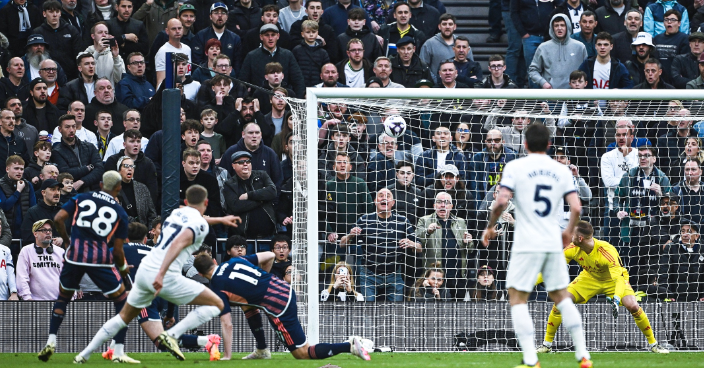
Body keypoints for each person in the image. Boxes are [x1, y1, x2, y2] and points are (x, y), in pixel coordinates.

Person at [72, 184, 242, 363]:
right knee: (218, 304)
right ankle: (173, 334)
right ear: (206, 202)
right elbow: (178, 243)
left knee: (123, 317)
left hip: (144, 271)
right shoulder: (199, 225)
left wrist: (221, 220)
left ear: (185, 201)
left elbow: (195, 217)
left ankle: (84, 354)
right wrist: (161, 274)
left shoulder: (177, 212)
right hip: (165, 275)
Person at [481, 123, 592, 368]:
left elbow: (501, 200)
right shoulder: (561, 170)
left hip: (526, 242)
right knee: (562, 296)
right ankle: (583, 354)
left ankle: (531, 359)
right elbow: (576, 207)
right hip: (552, 240)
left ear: (525, 144)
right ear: (549, 145)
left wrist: (490, 225)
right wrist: (568, 231)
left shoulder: (515, 166)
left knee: (518, 298)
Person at [194, 252, 371, 361]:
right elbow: (269, 256)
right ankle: (262, 350)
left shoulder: (217, 285)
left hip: (278, 305)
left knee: (301, 353)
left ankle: (349, 346)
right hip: (284, 289)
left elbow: (227, 323)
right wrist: (265, 277)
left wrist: (227, 355)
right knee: (248, 306)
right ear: (215, 262)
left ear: (201, 274)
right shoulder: (233, 261)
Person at [38, 171, 135, 363]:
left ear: (100, 185)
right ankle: (118, 351)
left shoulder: (81, 197)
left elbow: (58, 219)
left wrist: (67, 241)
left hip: (74, 256)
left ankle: (51, 340)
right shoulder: (120, 212)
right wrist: (123, 269)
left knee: (63, 298)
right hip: (99, 259)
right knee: (122, 301)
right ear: (118, 188)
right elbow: (117, 251)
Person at [535, 221, 669, 354]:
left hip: (613, 281)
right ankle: (546, 345)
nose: (570, 237)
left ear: (580, 238)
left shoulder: (607, 251)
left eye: (573, 234)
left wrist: (616, 298)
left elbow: (618, 279)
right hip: (589, 278)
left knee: (633, 306)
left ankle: (654, 345)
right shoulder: (572, 249)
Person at [100, 222, 221, 361]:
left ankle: (207, 341)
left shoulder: (119, 249)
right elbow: (170, 280)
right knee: (122, 317)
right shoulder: (155, 253)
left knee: (161, 341)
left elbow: (100, 265)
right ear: (145, 239)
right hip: (162, 295)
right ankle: (113, 349)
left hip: (145, 297)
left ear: (126, 238)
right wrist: (170, 313)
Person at [340, 188, 420, 302]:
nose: (384, 198)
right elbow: (342, 244)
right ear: (375, 201)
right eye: (381, 195)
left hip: (394, 276)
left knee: (397, 314)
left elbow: (420, 247)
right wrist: (350, 236)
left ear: (393, 203)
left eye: (388, 196)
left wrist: (412, 244)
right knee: (367, 313)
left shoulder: (402, 221)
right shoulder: (364, 219)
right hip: (369, 275)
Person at [416, 191, 474, 299]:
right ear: (434, 206)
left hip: (458, 275)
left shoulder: (460, 222)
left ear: (451, 206)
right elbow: (417, 243)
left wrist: (469, 242)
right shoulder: (424, 220)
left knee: (457, 310)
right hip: (436, 277)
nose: (443, 205)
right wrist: (428, 232)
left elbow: (470, 250)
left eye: (446, 202)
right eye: (439, 202)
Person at [222, 150, 277, 239]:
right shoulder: (230, 184)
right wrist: (262, 199)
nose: (245, 164)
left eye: (248, 161)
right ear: (233, 166)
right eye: (240, 162)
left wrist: (248, 195)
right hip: (244, 237)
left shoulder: (262, 175)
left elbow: (272, 192)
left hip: (268, 235)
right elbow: (236, 206)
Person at [239, 24, 305, 98]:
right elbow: (243, 82)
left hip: (283, 101)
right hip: (259, 99)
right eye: (267, 35)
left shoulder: (287, 55)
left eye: (273, 35)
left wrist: (299, 100)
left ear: (278, 36)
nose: (270, 38)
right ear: (261, 37)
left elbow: (298, 80)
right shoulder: (251, 56)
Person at [528, 14, 588, 90]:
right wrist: (543, 83)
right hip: (551, 96)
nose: (559, 28)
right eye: (556, 25)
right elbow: (533, 70)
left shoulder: (580, 47)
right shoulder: (543, 47)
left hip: (575, 96)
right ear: (552, 28)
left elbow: (586, 71)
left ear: (568, 27)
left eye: (562, 25)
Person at [31, 0, 83, 81]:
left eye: (57, 11)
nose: (54, 15)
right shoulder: (38, 33)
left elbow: (78, 53)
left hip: (71, 75)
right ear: (44, 14)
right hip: (47, 76)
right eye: (51, 12)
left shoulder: (71, 30)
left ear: (60, 13)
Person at [52, 114, 105, 192]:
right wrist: (87, 168)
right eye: (67, 127)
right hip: (73, 193)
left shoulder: (89, 147)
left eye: (73, 126)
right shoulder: (57, 151)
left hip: (94, 191)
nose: (71, 130)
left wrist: (82, 181)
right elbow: (66, 173)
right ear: (60, 130)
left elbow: (100, 169)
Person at [16, 219, 65, 301]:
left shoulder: (61, 252)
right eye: (44, 230)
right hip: (35, 302)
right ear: (35, 234)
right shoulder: (26, 251)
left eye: (49, 230)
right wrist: (27, 298)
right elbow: (22, 278)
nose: (48, 232)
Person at [191, 3, 242, 69]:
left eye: (223, 13)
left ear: (227, 17)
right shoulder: (200, 36)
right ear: (210, 16)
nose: (220, 15)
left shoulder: (235, 38)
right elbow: (197, 62)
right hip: (206, 77)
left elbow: (237, 65)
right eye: (216, 13)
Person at [0, 155, 37, 240]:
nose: (19, 172)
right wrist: (18, 191)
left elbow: (33, 208)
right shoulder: (1, 185)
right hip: (5, 232)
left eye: (21, 169)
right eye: (16, 168)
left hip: (25, 231)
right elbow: (4, 206)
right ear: (7, 169)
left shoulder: (28, 185)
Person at [20, 178, 63, 246]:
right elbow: (27, 237)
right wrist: (49, 241)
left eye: (58, 190)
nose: (57, 193)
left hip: (64, 254)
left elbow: (76, 234)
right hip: (40, 254)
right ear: (43, 192)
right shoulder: (33, 212)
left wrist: (63, 239)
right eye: (53, 189)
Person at [653, 9, 690, 84]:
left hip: (676, 80)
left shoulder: (684, 38)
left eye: (673, 20)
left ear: (679, 23)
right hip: (659, 79)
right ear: (664, 23)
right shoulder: (657, 38)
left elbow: (685, 62)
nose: (669, 22)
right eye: (666, 20)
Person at [83, 21, 126, 86]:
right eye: (100, 32)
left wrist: (116, 58)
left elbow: (119, 80)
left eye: (106, 33)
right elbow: (85, 74)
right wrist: (97, 52)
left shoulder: (116, 57)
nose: (104, 35)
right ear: (93, 36)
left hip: (109, 94)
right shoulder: (84, 55)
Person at [154, 18, 191, 89]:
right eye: (174, 29)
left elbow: (188, 74)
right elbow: (160, 81)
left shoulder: (187, 49)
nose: (177, 31)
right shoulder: (162, 51)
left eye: (179, 28)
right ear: (167, 31)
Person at [292, 20, 330, 87]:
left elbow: (326, 71)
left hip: (318, 87)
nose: (311, 34)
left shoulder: (323, 52)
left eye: (314, 32)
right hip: (300, 86)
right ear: (302, 34)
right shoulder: (297, 50)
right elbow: (294, 71)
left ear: (317, 33)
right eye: (308, 32)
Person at [0, 227, 17, 300]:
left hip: (3, 297)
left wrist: (13, 292)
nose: (0, 227)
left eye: (0, 224)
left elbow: (10, 273)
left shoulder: (6, 250)